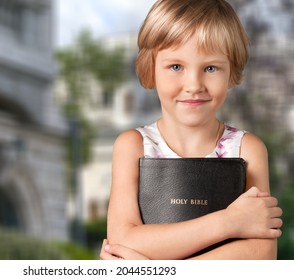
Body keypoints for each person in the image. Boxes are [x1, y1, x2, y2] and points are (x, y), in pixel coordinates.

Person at [100, 0, 283, 260]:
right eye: (176, 67)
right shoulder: (132, 146)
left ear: (232, 70)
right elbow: (121, 242)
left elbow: (261, 254)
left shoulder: (248, 149)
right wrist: (229, 222)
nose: (194, 84)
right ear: (150, 68)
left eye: (210, 68)